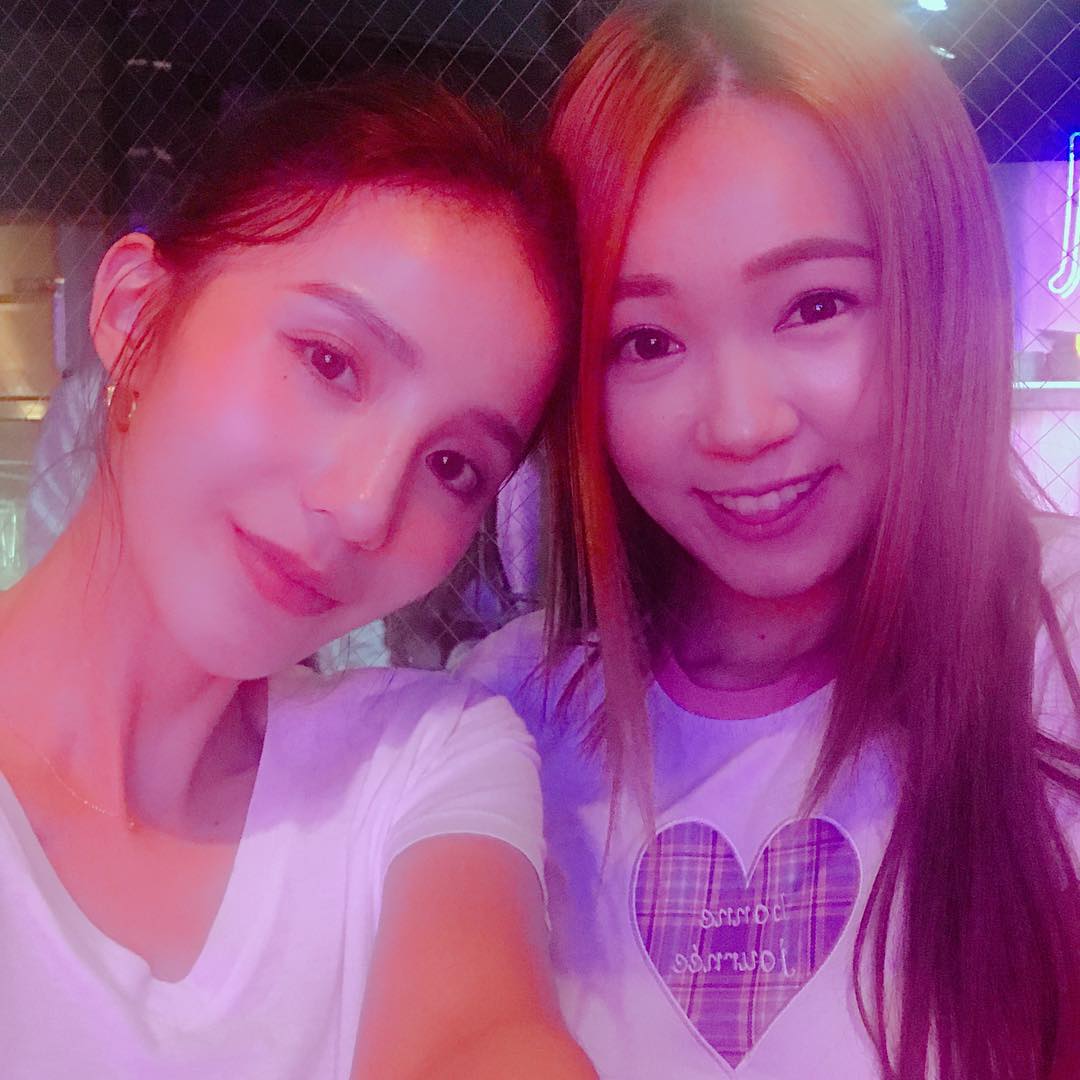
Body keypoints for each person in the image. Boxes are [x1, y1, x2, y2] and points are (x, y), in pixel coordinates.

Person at [458, 2, 1080, 1078]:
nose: (742, 425)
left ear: (938, 291)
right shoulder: (511, 718)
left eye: (815, 306)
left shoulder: (1057, 649)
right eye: (645, 340)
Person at [0, 73, 596, 1079]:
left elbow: (481, 1035)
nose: (365, 507)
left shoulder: (417, 761)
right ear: (136, 315)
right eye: (329, 362)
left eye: (454, 466)